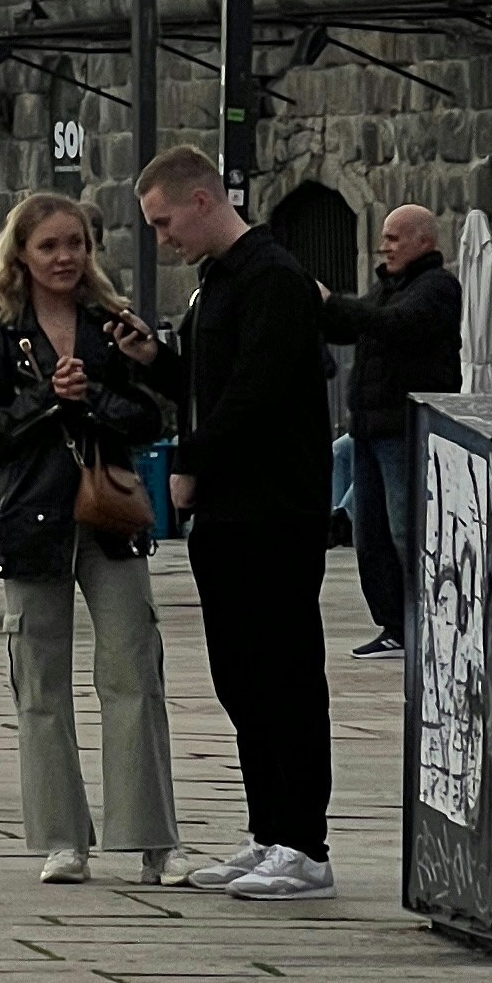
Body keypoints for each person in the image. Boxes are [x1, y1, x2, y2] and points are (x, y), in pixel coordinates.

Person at [116, 145, 338, 900]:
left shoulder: (272, 278)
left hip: (274, 507)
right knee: (241, 679)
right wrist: (157, 363)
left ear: (204, 200)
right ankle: (267, 830)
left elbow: (258, 394)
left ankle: (305, 845)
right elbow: (211, 388)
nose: (162, 237)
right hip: (231, 511)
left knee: (284, 676)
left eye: (164, 220)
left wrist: (189, 459)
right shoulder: (217, 285)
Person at [0, 191, 179, 886]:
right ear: (21, 254)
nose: (64, 257)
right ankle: (62, 839)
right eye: (50, 245)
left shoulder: (109, 324)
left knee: (133, 674)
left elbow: (149, 419)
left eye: (76, 244)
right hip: (31, 521)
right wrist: (46, 400)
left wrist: (93, 398)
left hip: (108, 516)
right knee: (40, 684)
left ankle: (152, 840)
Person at [323, 205, 462, 657]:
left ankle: (431, 621)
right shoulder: (388, 287)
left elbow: (398, 325)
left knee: (409, 532)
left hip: (404, 431)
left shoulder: (437, 288)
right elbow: (352, 323)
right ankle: (395, 626)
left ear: (424, 241)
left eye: (394, 238)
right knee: (372, 535)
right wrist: (318, 309)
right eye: (384, 237)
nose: (384, 246)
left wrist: (333, 303)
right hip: (369, 430)